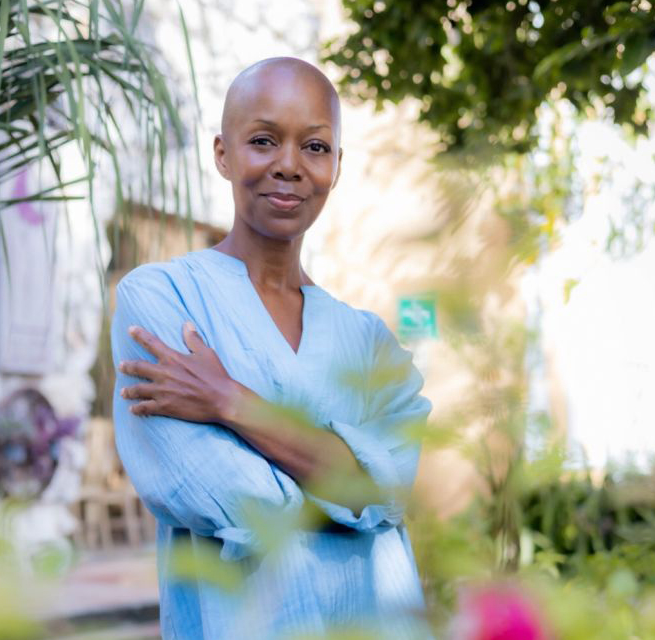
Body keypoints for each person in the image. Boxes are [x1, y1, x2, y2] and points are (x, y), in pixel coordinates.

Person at [111, 57, 433, 639]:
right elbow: (225, 494)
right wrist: (349, 488)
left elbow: (391, 489)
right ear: (223, 154)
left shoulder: (371, 343)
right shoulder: (162, 298)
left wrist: (229, 402)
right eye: (263, 141)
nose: (289, 166)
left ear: (336, 165)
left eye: (315, 147)